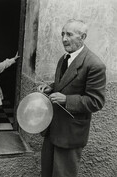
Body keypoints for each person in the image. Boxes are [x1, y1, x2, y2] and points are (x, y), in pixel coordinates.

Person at [37, 19, 106, 177]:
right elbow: (65, 83)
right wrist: (52, 88)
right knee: (46, 172)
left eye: (69, 34)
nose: (64, 38)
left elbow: (96, 101)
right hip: (53, 128)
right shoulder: (64, 58)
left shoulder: (95, 65)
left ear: (82, 37)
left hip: (71, 132)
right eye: (62, 34)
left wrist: (66, 100)